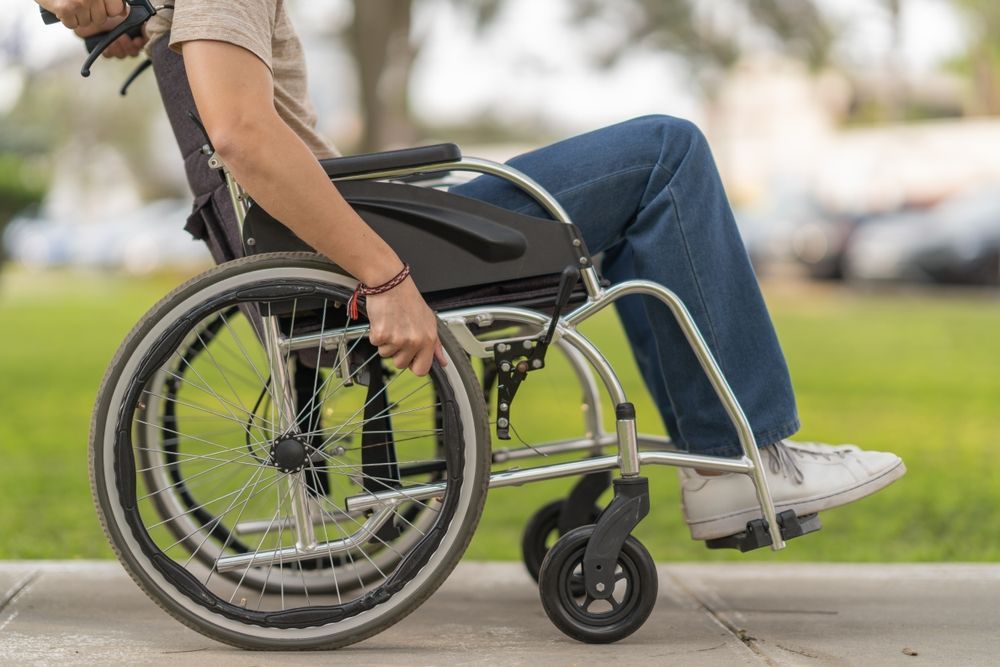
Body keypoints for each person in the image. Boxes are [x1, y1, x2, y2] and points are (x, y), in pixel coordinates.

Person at [39, 0, 905, 541]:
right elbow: (243, 137)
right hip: (387, 240)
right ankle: (739, 456)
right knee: (667, 154)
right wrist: (384, 278)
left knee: (646, 198)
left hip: (381, 220)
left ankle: (725, 456)